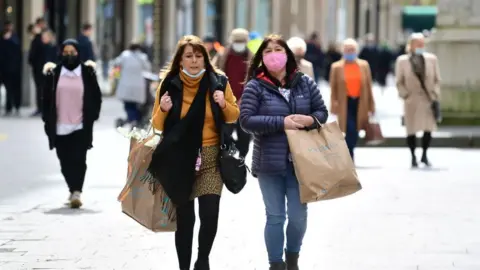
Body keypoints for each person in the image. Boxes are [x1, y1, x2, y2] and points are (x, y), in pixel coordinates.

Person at [148, 35, 239, 270]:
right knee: (185, 219)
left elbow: (233, 116)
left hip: (211, 158)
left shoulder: (219, 82)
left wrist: (223, 103)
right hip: (180, 159)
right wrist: (164, 110)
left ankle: (203, 259)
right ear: (180, 60)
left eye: (199, 56)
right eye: (189, 56)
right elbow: (157, 124)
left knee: (210, 213)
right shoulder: (169, 84)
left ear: (205, 59)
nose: (194, 61)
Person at [240, 34, 328, 270]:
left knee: (298, 217)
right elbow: (246, 120)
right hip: (269, 162)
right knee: (275, 216)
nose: (273, 55)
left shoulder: (304, 83)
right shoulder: (255, 86)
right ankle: (276, 264)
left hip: (302, 163)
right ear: (261, 58)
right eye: (267, 51)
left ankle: (292, 256)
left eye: (278, 50)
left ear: (287, 54)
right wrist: (282, 122)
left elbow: (322, 112)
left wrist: (310, 119)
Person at [42, 39, 102, 208]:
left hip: (80, 125)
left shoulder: (87, 72)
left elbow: (96, 96)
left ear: (78, 53)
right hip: (59, 125)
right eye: (66, 52)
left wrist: (92, 116)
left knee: (79, 159)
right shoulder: (54, 73)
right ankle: (72, 188)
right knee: (64, 160)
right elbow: (46, 99)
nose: (69, 55)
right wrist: (46, 118)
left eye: (73, 52)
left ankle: (77, 191)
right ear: (61, 53)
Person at [395, 33, 441, 168]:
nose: (421, 45)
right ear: (411, 45)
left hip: (427, 99)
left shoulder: (432, 59)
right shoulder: (402, 60)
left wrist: (435, 93)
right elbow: (399, 81)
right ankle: (413, 156)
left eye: (422, 43)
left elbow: (437, 79)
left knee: (428, 128)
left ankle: (424, 155)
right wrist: (405, 95)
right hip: (412, 100)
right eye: (418, 43)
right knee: (411, 129)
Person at [329, 38, 375, 161]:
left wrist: (372, 106)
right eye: (347, 50)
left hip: (361, 102)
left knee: (356, 128)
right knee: (349, 128)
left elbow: (369, 86)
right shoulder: (337, 67)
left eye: (352, 50)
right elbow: (333, 88)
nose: (350, 52)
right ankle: (350, 153)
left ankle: (350, 150)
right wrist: (333, 104)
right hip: (345, 102)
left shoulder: (364, 65)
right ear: (343, 51)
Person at [212, 28, 253, 157]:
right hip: (225, 102)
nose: (239, 44)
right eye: (237, 41)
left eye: (242, 41)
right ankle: (228, 158)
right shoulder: (223, 55)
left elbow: (257, 80)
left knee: (245, 137)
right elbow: (212, 73)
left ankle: (241, 159)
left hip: (245, 103)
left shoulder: (252, 58)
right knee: (224, 134)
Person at [113, 41, 151, 127]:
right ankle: (135, 119)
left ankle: (132, 119)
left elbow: (116, 64)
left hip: (126, 84)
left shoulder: (124, 55)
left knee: (128, 104)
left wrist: (117, 76)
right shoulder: (142, 57)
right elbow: (148, 68)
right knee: (136, 105)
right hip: (138, 86)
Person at [0, 20, 22, 116]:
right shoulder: (2, 37)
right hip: (4, 67)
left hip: (14, 67)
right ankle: (8, 107)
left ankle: (16, 106)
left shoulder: (14, 37)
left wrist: (9, 40)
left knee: (14, 88)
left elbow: (17, 50)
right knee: (7, 88)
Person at [28, 17, 48, 117]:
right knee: (39, 87)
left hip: (42, 66)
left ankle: (42, 108)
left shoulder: (43, 36)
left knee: (42, 88)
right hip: (38, 66)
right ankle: (40, 108)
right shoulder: (37, 37)